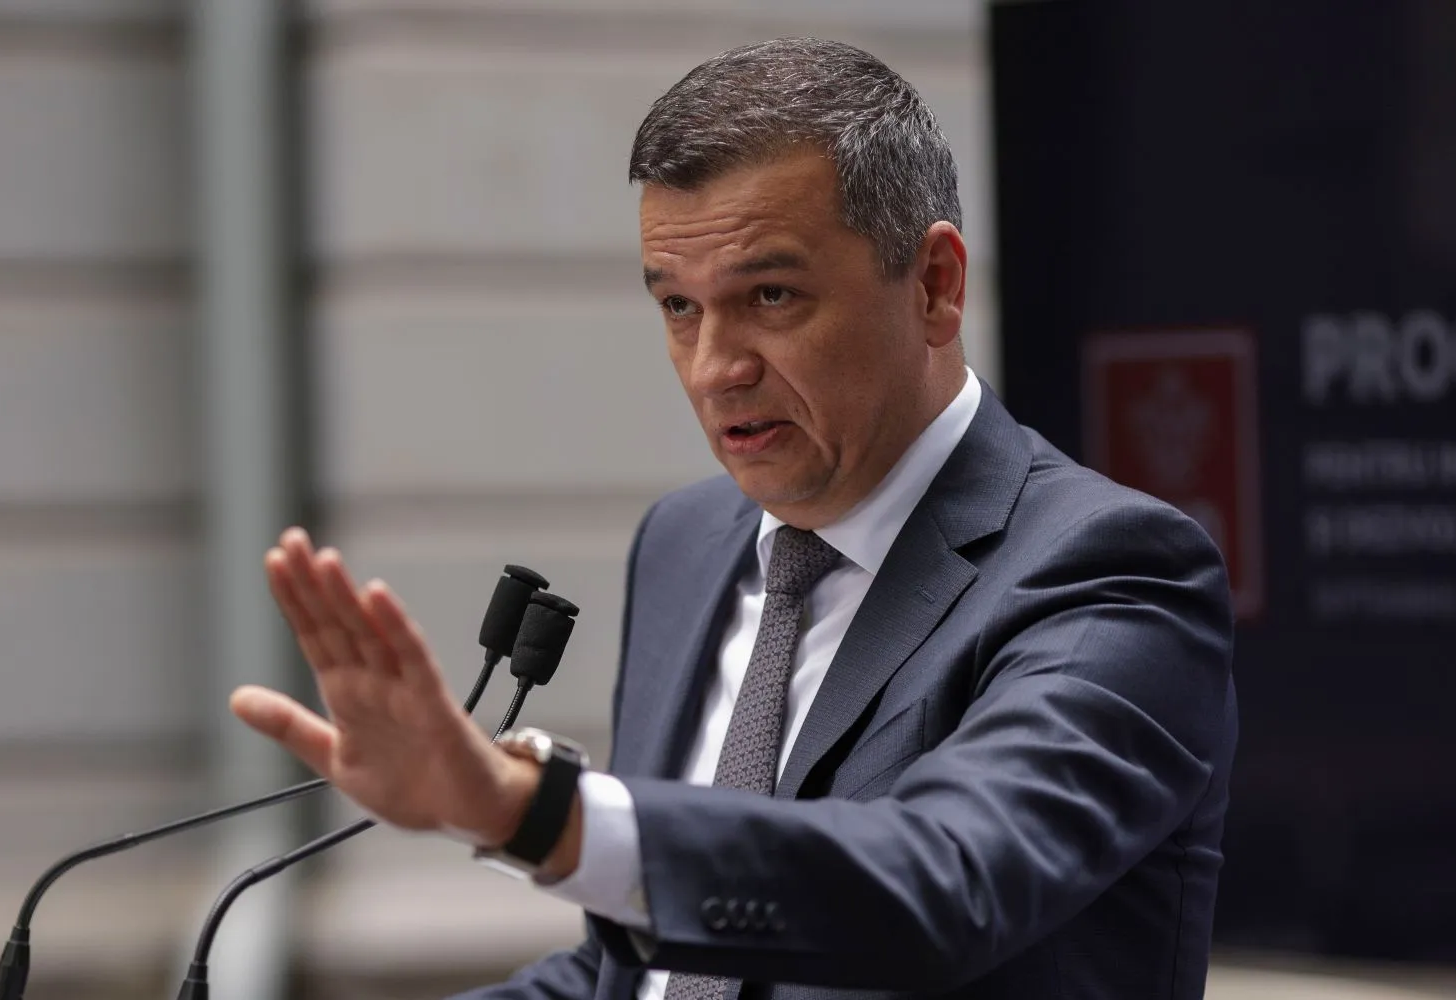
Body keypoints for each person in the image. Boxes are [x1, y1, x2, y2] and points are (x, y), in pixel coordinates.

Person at [231, 37, 1238, 1000]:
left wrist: (526, 810)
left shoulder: (1112, 570)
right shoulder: (684, 546)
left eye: (771, 295)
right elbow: (639, 973)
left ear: (935, 286)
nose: (716, 368)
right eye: (679, 307)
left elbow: (942, 885)